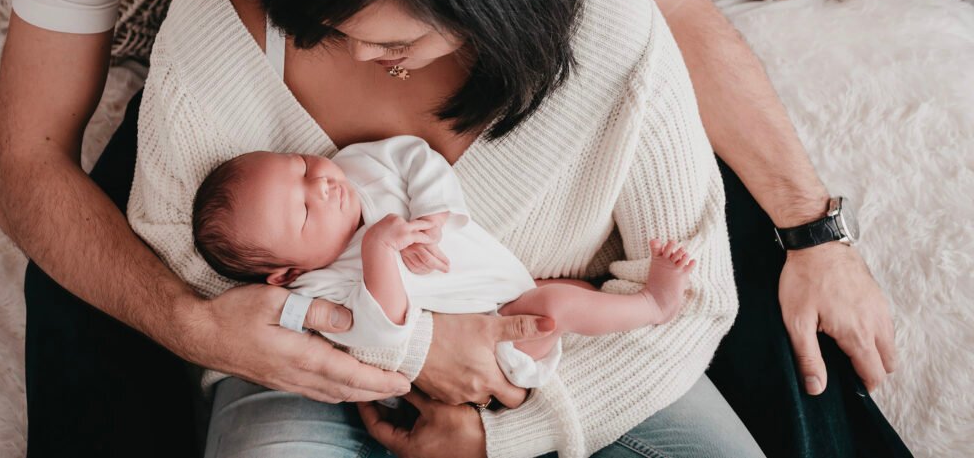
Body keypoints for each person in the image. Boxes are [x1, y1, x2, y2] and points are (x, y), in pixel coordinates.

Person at [0, 0, 904, 456]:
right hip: (299, 245)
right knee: (88, 294)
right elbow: (29, 162)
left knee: (733, 282)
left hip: (512, 111)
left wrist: (815, 225)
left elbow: (674, 19)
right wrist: (194, 322)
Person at [126, 0, 751, 454]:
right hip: (307, 370)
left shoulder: (614, 35)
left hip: (567, 364)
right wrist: (412, 345)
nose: (361, 55)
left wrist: (494, 434)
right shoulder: (222, 14)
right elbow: (182, 251)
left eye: (397, 43)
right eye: (332, 26)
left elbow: (695, 298)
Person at [191, 138, 697, 389]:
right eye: (304, 211)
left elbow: (415, 155)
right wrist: (377, 252)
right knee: (553, 307)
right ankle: (652, 304)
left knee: (555, 290)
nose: (321, 185)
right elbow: (379, 332)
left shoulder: (357, 167)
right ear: (285, 273)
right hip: (497, 335)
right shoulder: (317, 288)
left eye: (301, 168)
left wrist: (434, 212)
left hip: (501, 281)